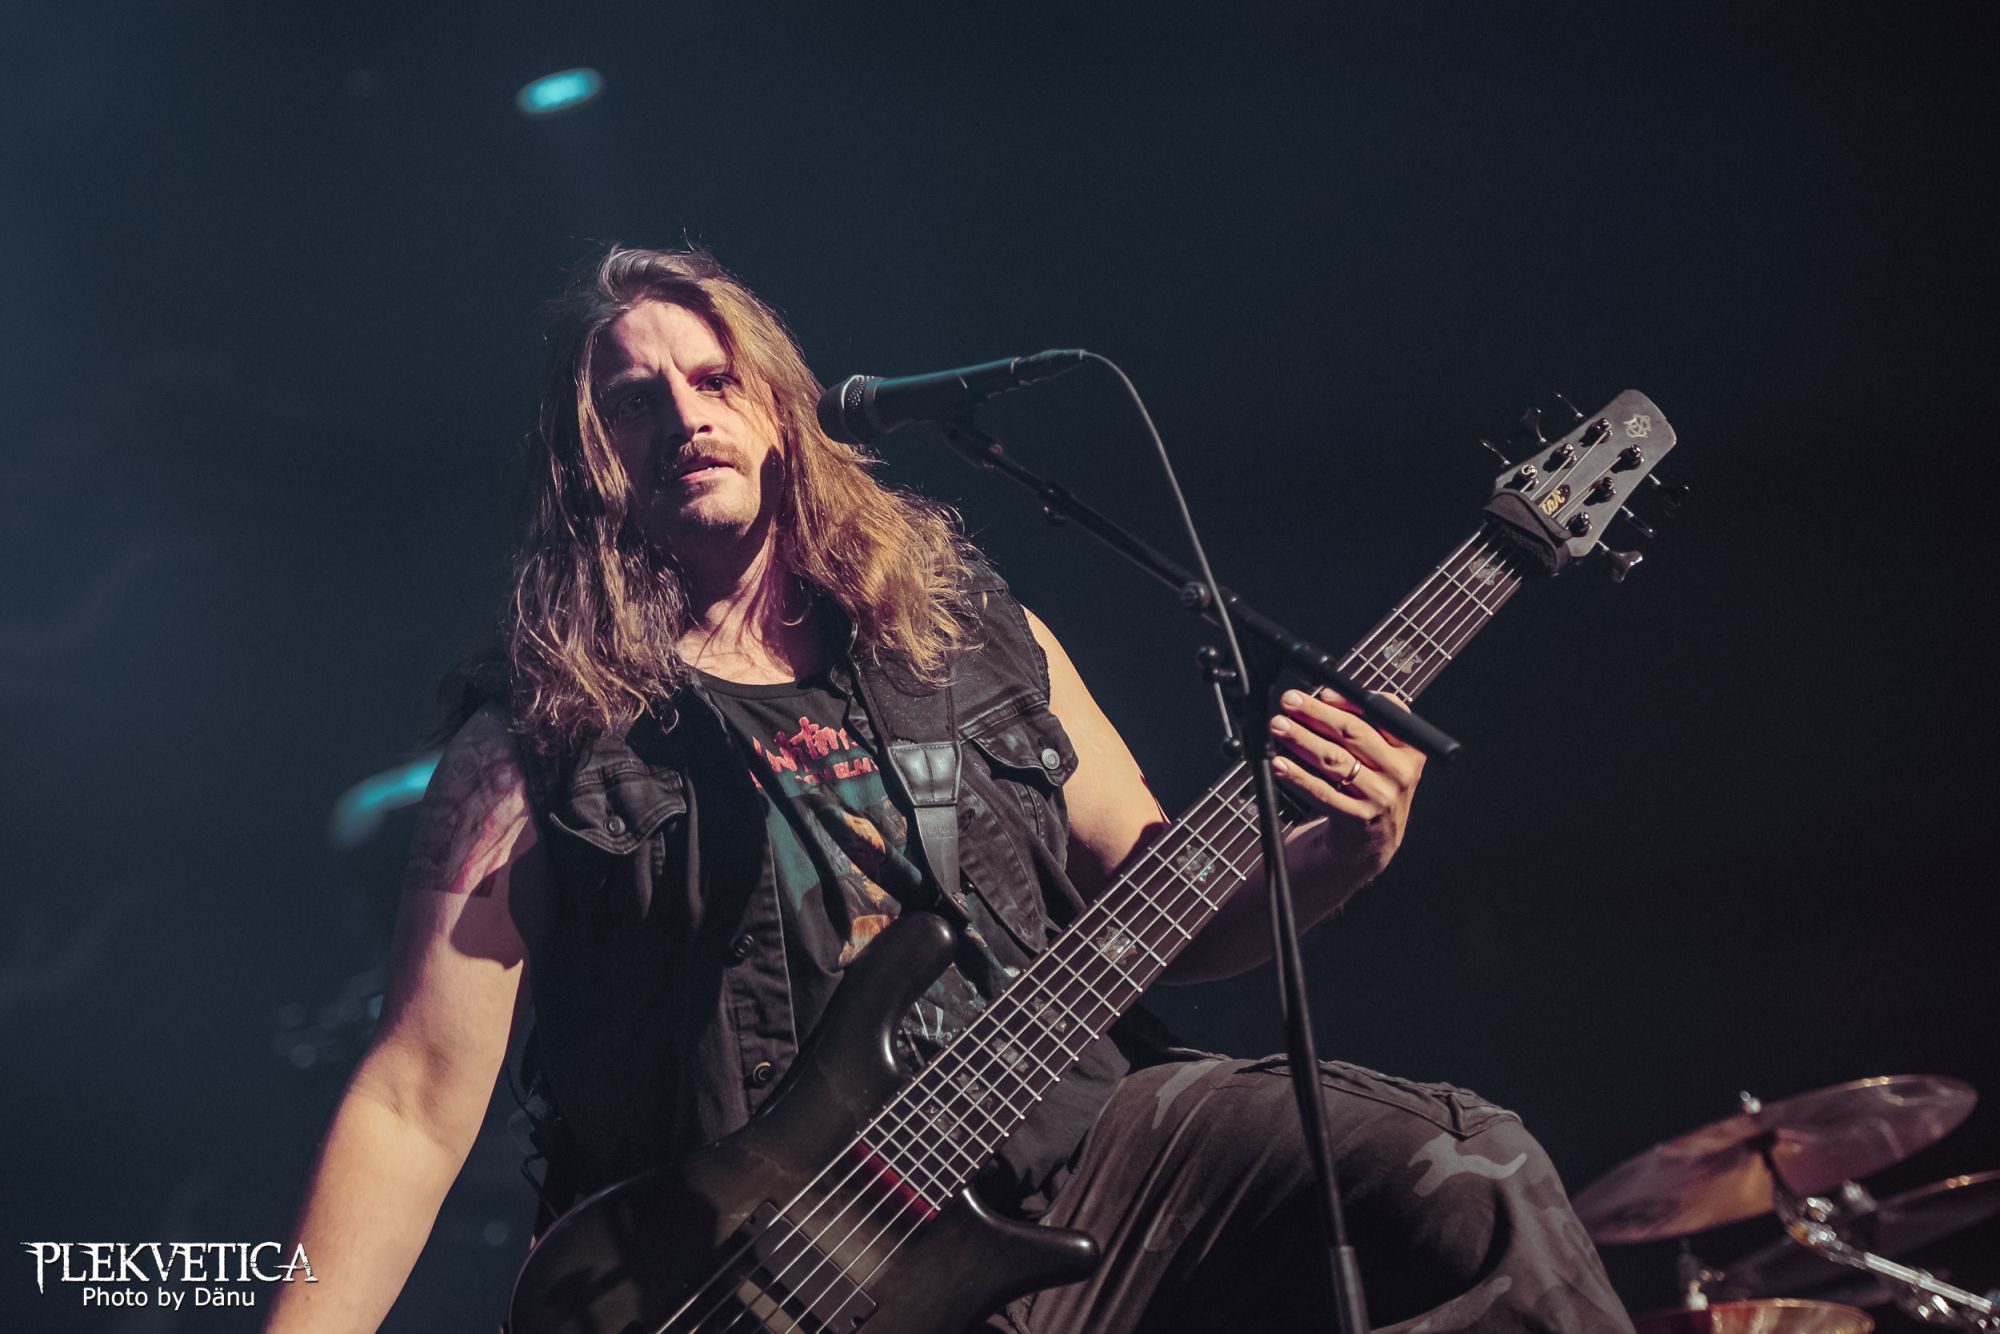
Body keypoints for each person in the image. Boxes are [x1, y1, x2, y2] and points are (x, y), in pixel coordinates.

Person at [267, 246, 1631, 1333]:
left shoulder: (968, 629)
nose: (684, 413)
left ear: (782, 408)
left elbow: (1161, 906)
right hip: (781, 1262)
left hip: (1087, 1152)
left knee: (1476, 1179)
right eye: (632, 399)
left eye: (715, 377)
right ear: (587, 462)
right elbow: (413, 1098)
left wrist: (1345, 852)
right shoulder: (543, 738)